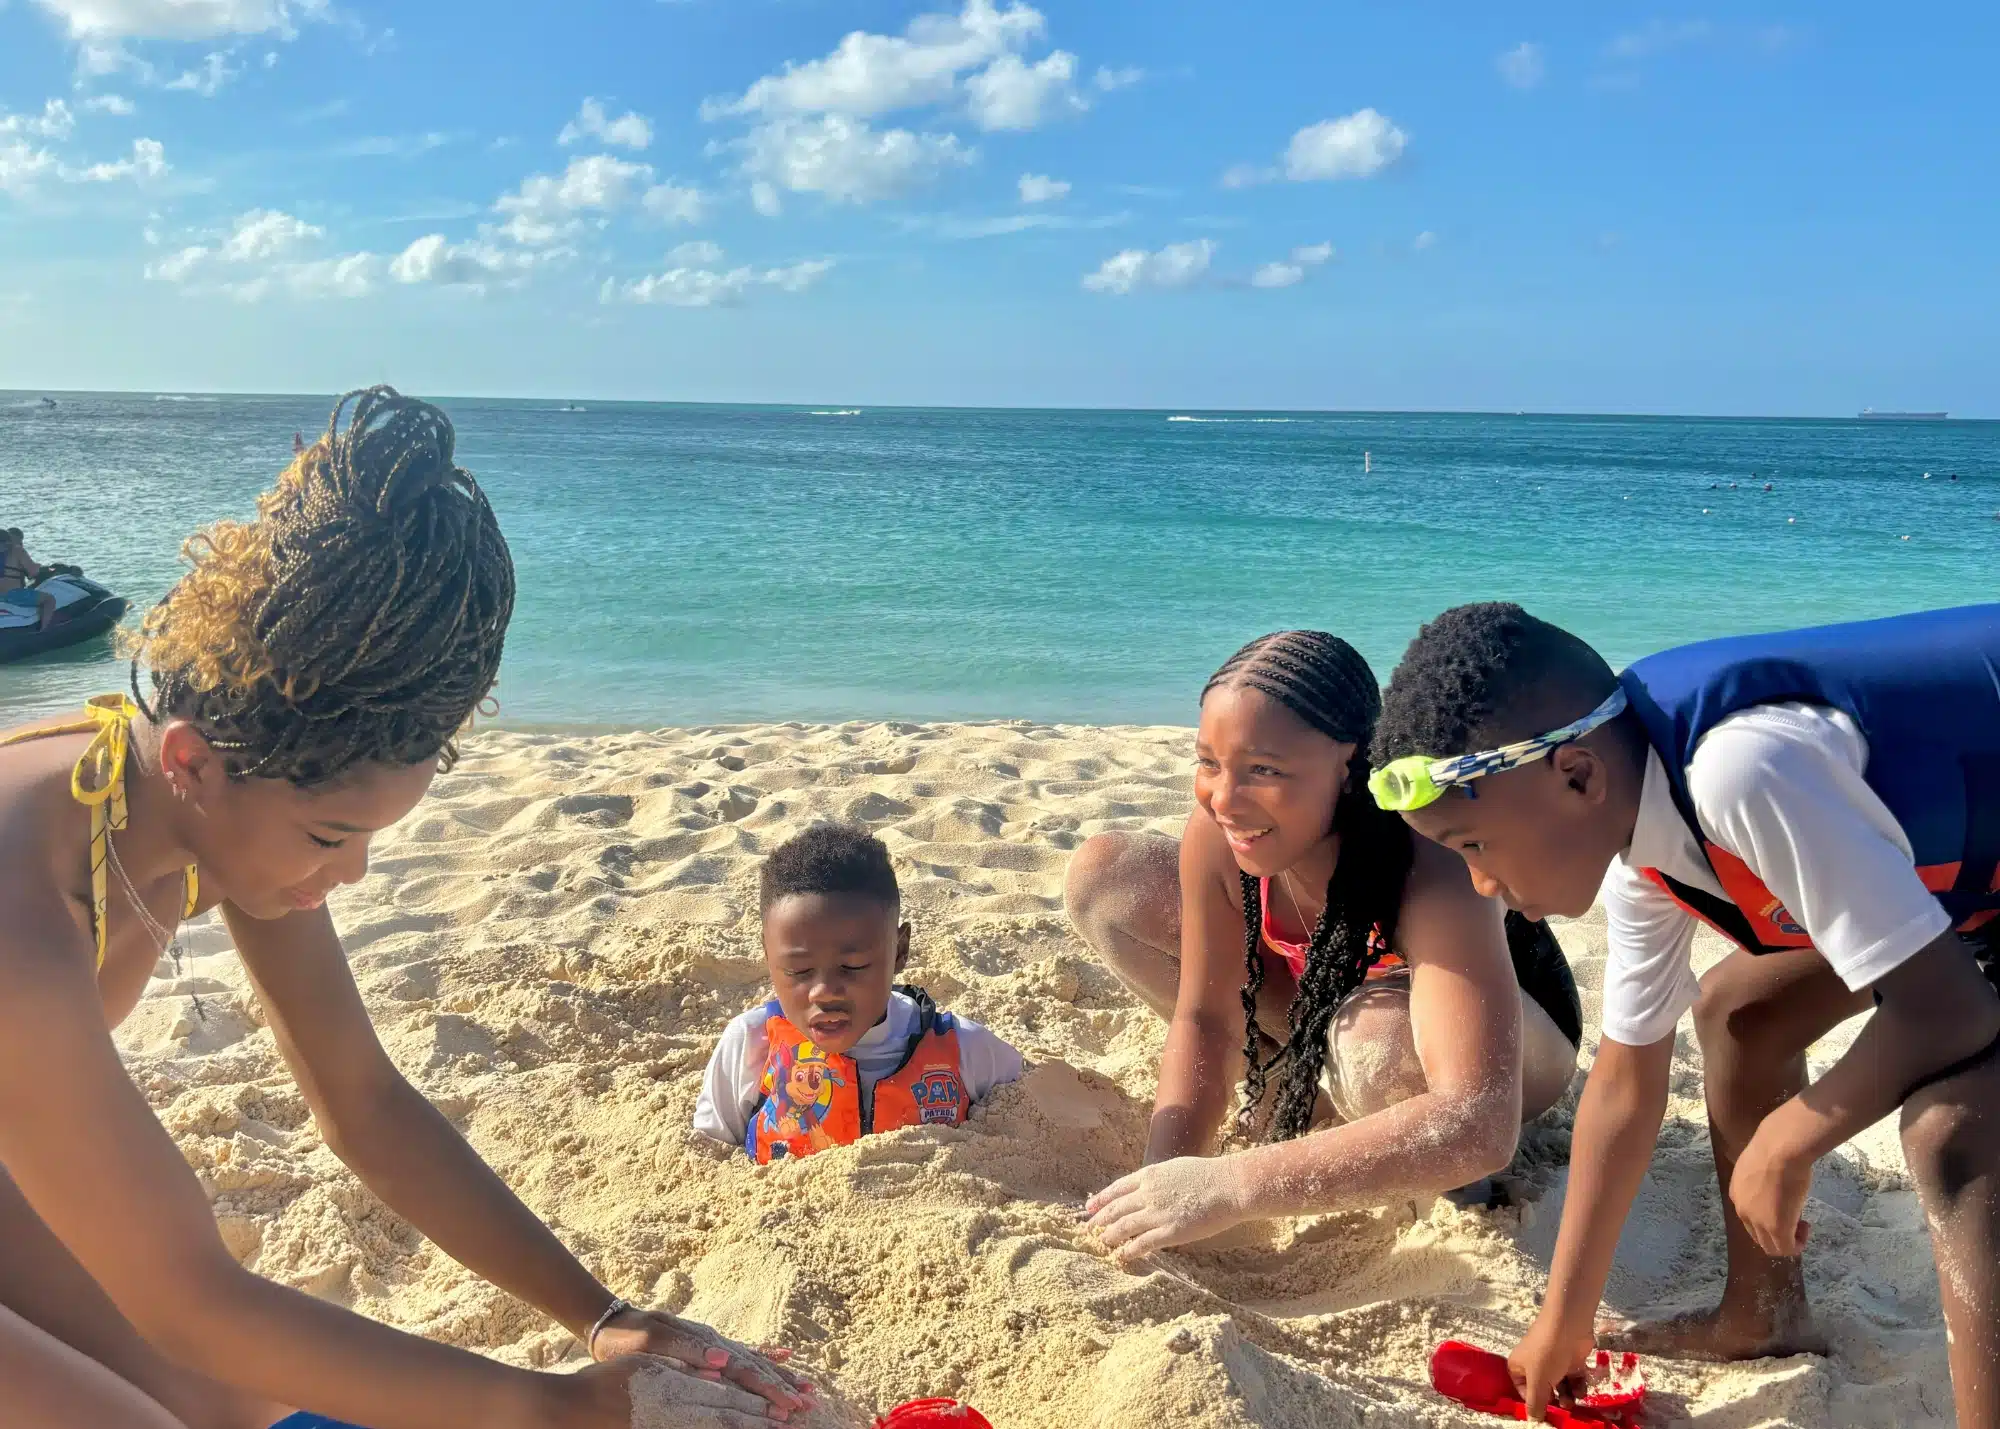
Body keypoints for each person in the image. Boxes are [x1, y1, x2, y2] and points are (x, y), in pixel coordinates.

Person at [0, 388, 810, 1429]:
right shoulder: (23, 918)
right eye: (334, 837)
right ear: (197, 763)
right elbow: (189, 1298)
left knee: (236, 1402)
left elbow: (362, 1101)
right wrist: (560, 1413)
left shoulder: (201, 801)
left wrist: (597, 1315)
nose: (356, 875)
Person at [1369, 601, 2000, 1428]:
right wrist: (1565, 1318)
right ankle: (1762, 1313)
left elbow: (1951, 1011)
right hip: (1965, 890)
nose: (1478, 884)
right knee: (1742, 1013)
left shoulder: (1744, 773)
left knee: (1950, 1127)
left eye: (1474, 844)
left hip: (1966, 922)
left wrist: (1790, 1135)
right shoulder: (1641, 835)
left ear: (1576, 775)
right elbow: (1627, 1084)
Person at [1065, 632, 1582, 1262]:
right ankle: (1303, 1079)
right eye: (1208, 762)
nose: (1225, 799)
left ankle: (1445, 1184)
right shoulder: (1224, 832)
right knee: (1106, 876)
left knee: (1376, 1044)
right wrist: (1164, 1179)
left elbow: (1477, 1119)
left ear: (1348, 764)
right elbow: (1206, 1018)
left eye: (1265, 770)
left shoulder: (1431, 855)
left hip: (1510, 1052)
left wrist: (1230, 1186)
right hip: (1328, 1006)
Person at [695, 822, 1023, 1161]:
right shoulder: (752, 1043)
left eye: (852, 967)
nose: (824, 992)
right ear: (768, 957)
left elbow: (1047, 1118)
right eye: (798, 971)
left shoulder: (964, 1050)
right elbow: (704, 1158)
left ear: (899, 951)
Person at [1, 525, 57, 632]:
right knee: (49, 600)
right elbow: (33, 572)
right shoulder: (18, 551)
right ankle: (44, 631)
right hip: (13, 594)